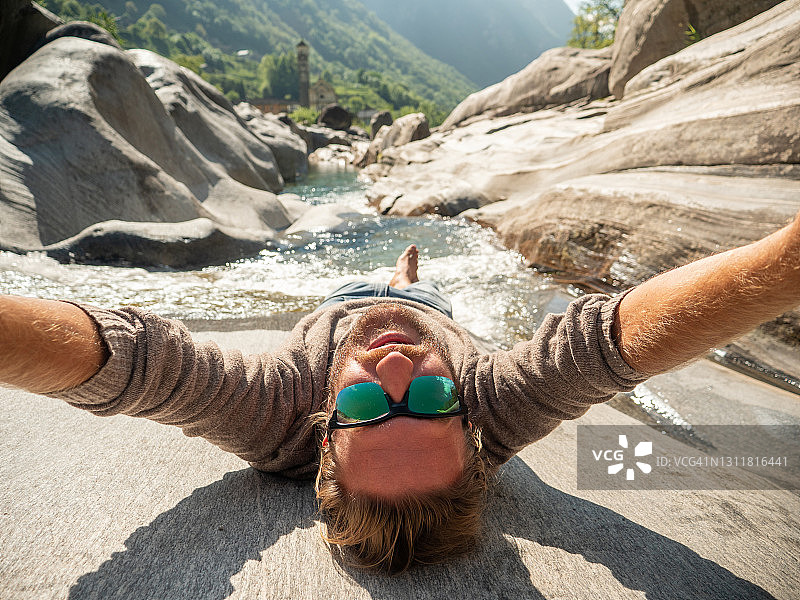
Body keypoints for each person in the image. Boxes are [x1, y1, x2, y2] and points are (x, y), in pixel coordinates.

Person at [1, 213, 799, 573]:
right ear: (473, 429)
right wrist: (785, 266)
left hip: (337, 303)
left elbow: (141, 366)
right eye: (428, 403)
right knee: (418, 298)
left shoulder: (277, 412)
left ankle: (387, 277)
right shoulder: (492, 408)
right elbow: (604, 345)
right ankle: (409, 280)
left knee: (370, 291)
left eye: (362, 411)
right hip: (438, 317)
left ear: (320, 436)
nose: (394, 372)